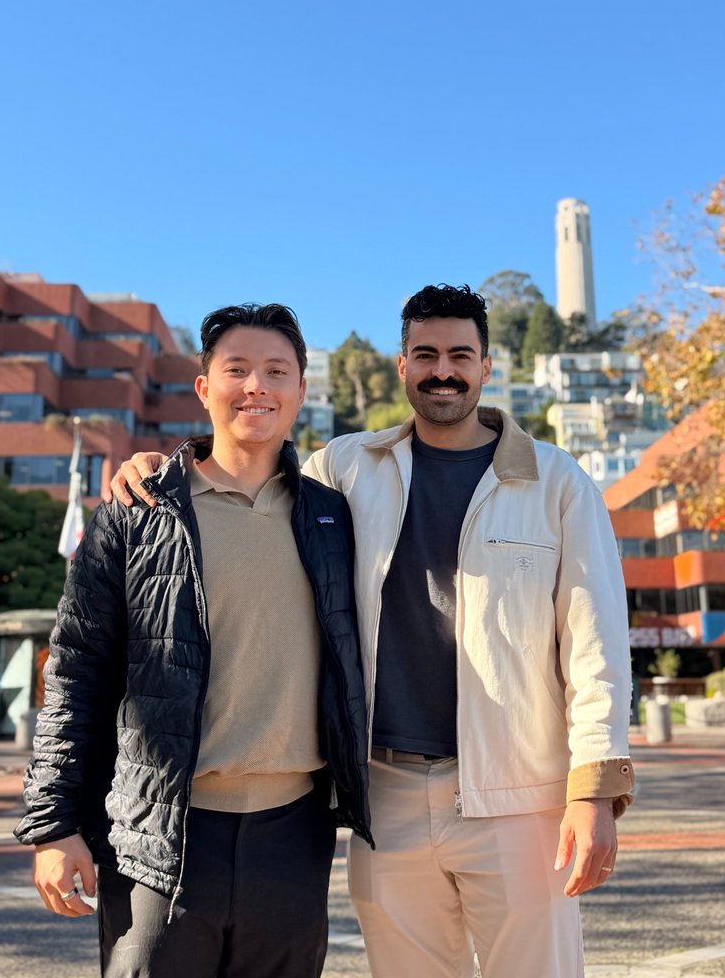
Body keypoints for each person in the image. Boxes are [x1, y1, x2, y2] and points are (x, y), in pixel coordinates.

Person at [111, 284, 634, 978]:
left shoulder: (557, 482)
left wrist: (593, 792)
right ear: (401, 366)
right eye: (426, 354)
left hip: (517, 799)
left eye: (459, 355)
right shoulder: (346, 468)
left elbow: (596, 642)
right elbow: (250, 465)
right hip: (384, 798)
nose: (442, 370)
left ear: (485, 366)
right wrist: (165, 467)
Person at [16, 303, 372, 978]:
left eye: (276, 371)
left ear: (301, 389)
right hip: (160, 833)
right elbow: (76, 670)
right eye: (236, 370)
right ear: (205, 389)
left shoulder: (331, 515)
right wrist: (54, 823)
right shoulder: (139, 508)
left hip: (294, 835)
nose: (256, 387)